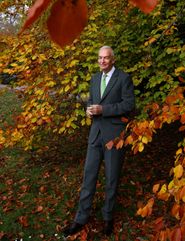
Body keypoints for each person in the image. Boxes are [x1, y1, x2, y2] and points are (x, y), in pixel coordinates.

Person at [63, 46, 135, 237]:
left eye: (106, 58)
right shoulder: (95, 79)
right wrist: (89, 109)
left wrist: (103, 110)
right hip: (95, 134)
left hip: (114, 136)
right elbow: (92, 101)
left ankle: (107, 218)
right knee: (89, 177)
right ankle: (81, 218)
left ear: (113, 59)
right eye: (100, 58)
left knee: (112, 178)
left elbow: (129, 105)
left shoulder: (124, 78)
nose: (102, 61)